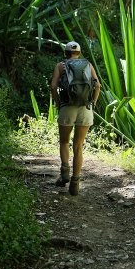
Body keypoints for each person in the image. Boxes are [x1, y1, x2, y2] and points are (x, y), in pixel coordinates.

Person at [51, 41, 100, 196]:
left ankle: (64, 172)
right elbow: (97, 85)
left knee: (64, 141)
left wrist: (59, 103)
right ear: (79, 52)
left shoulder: (61, 65)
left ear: (66, 52)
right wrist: (93, 101)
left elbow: (53, 87)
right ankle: (75, 184)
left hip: (67, 107)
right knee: (78, 146)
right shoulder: (88, 65)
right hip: (85, 108)